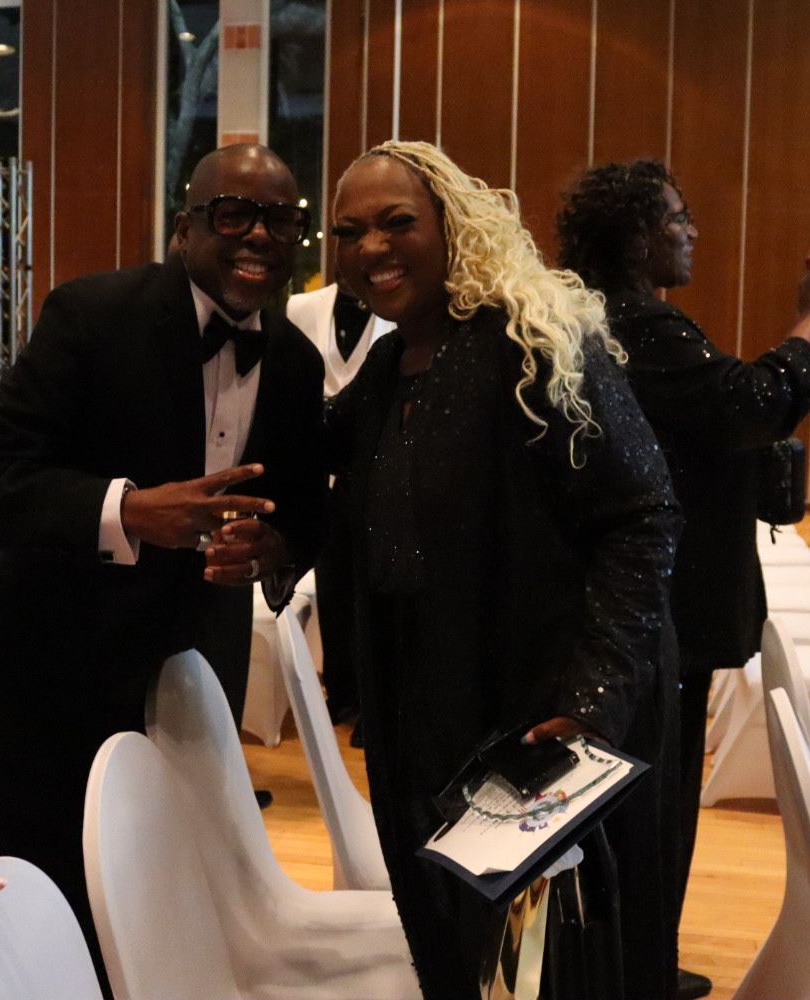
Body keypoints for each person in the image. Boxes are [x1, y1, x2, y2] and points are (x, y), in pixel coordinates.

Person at [0, 143, 328, 984]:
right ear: (186, 224)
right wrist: (127, 511)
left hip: (189, 677)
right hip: (48, 673)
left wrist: (272, 547)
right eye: (234, 213)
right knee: (39, 911)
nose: (259, 234)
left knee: (160, 906)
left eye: (281, 219)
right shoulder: (93, 314)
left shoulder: (294, 361)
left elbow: (299, 513)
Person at [327, 141, 682, 998]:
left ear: (454, 225)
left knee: (527, 970)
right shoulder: (381, 371)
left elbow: (643, 518)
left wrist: (591, 699)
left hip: (535, 718)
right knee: (446, 938)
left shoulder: (532, 346)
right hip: (422, 720)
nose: (371, 247)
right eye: (349, 231)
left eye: (396, 222)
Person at [558, 159, 810, 1000]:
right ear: (639, 236)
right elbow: (755, 401)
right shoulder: (645, 328)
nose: (693, 231)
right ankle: (638, 969)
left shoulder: (600, 320)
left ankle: (636, 960)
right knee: (655, 806)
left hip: (641, 602)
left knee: (649, 800)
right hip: (660, 606)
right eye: (678, 218)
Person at [285, 274, 394, 725]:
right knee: (333, 586)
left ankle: (374, 706)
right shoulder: (301, 307)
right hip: (323, 467)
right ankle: (341, 692)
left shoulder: (394, 312)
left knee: (373, 589)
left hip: (376, 468)